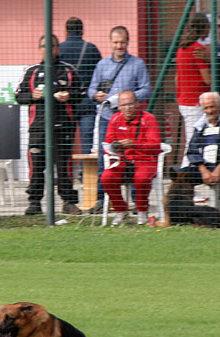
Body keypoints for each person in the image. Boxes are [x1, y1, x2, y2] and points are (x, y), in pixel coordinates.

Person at [15, 34, 82, 216]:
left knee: (64, 167)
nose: (48, 49)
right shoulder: (32, 71)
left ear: (57, 49)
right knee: (36, 166)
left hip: (64, 127)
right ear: (39, 49)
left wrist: (68, 95)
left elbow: (81, 93)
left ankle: (68, 202)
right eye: (44, 46)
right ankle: (34, 202)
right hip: (38, 127)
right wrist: (33, 97)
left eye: (51, 46)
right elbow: (18, 96)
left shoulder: (68, 70)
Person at [88, 26, 152, 213]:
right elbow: (91, 88)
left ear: (128, 42)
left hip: (130, 119)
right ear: (110, 43)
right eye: (116, 42)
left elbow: (146, 89)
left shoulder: (137, 64)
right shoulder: (102, 65)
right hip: (107, 117)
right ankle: (101, 199)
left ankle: (134, 200)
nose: (119, 46)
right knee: (104, 158)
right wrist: (97, 95)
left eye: (122, 42)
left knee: (133, 155)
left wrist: (125, 99)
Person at [101, 90, 161, 226]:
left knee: (141, 178)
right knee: (106, 177)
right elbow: (107, 143)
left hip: (145, 161)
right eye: (124, 105)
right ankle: (120, 211)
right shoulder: (115, 119)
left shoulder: (149, 119)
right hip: (122, 161)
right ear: (119, 107)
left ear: (137, 104)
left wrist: (135, 144)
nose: (127, 108)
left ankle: (142, 212)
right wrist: (114, 148)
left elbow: (155, 146)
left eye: (130, 104)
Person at [59, 17, 102, 163]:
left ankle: (65, 173)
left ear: (66, 31)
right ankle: (85, 175)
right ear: (82, 31)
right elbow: (100, 73)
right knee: (87, 139)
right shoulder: (91, 49)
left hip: (66, 102)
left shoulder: (59, 49)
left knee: (64, 140)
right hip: (86, 101)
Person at [176, 13, 211, 166]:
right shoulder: (198, 49)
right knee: (193, 142)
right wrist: (211, 63)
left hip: (184, 100)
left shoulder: (181, 49)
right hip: (196, 102)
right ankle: (184, 176)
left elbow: (177, 78)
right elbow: (207, 79)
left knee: (192, 139)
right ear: (204, 29)